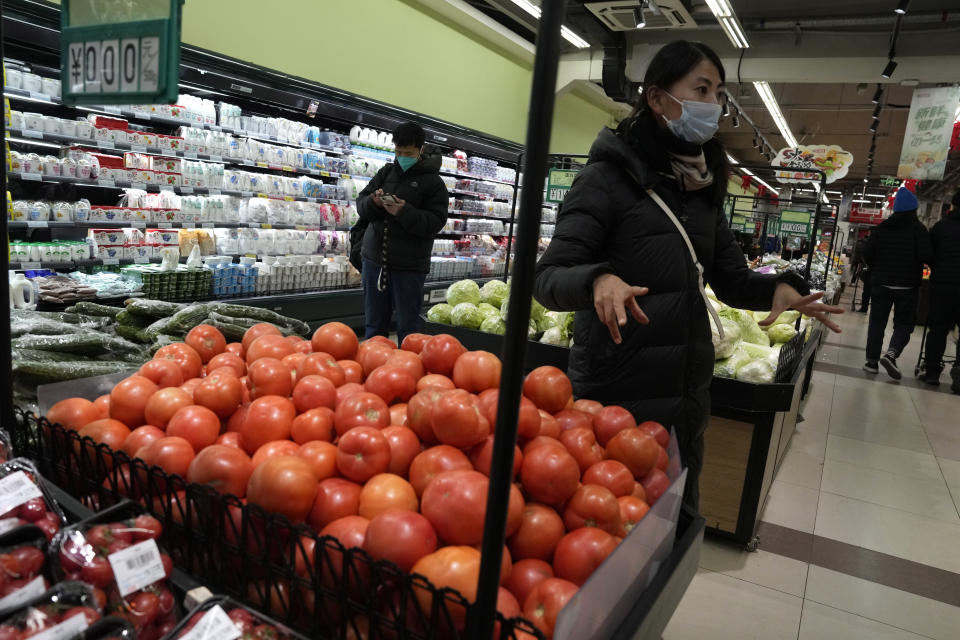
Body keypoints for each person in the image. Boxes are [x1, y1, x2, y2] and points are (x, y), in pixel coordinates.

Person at [532, 40, 843, 510]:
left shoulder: (701, 189)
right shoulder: (604, 181)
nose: (714, 105)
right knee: (611, 532)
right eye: (702, 89)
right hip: (615, 395)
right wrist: (598, 279)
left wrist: (781, 286)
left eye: (719, 93)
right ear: (658, 99)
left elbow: (732, 280)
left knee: (673, 523)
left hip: (686, 397)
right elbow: (549, 277)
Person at [353, 122, 449, 344]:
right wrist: (374, 202)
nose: (402, 157)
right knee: (374, 325)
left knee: (409, 330)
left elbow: (435, 222)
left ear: (420, 150)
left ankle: (408, 372)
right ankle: (373, 370)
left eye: (408, 153)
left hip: (409, 266)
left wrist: (404, 211)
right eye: (398, 152)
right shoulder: (386, 172)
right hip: (374, 260)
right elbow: (361, 204)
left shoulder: (434, 184)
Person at [862, 187, 933, 379]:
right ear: (913, 210)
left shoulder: (881, 228)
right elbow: (926, 255)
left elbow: (867, 253)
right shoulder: (919, 229)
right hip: (907, 286)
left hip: (881, 284)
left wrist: (876, 268)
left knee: (877, 323)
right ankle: (892, 353)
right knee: (904, 323)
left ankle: (871, 362)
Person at [922, 190, 960, 392]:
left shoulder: (941, 227)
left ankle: (932, 373)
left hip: (942, 284)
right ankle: (959, 375)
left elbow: (929, 253)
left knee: (937, 329)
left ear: (952, 206)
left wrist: (938, 266)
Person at [851, 231, 872, 312]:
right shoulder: (875, 242)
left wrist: (859, 263)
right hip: (873, 270)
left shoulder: (864, 242)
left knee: (867, 289)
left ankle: (864, 307)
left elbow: (860, 255)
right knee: (869, 290)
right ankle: (865, 307)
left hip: (866, 268)